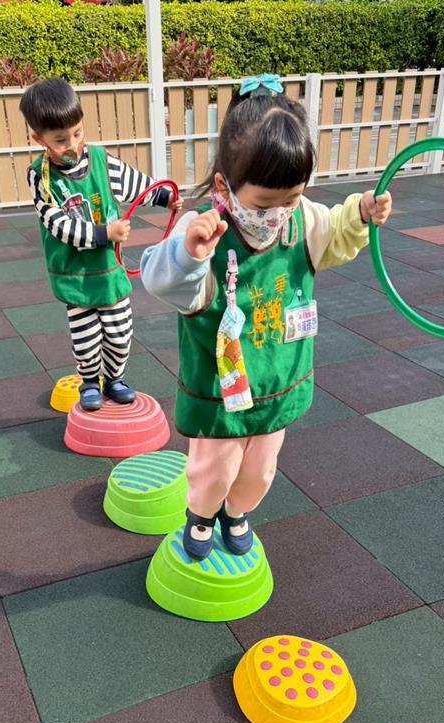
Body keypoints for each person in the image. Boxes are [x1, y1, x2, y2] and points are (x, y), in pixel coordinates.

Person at [140, 73, 392, 560]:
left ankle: (237, 512)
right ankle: (201, 514)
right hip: (224, 386)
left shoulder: (302, 219)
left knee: (261, 466)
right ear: (225, 185)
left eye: (291, 198)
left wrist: (360, 213)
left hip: (277, 376)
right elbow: (160, 279)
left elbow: (334, 231)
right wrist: (189, 254)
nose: (277, 213)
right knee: (215, 465)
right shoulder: (205, 228)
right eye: (264, 202)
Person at [20, 77, 182, 412]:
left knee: (120, 335)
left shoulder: (100, 160)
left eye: (77, 133)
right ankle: (90, 382)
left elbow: (134, 184)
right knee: (87, 340)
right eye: (60, 140)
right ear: (39, 139)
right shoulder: (41, 176)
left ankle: (115, 378)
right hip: (77, 277)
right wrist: (104, 233)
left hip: (110, 272)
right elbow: (57, 224)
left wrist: (164, 197)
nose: (72, 144)